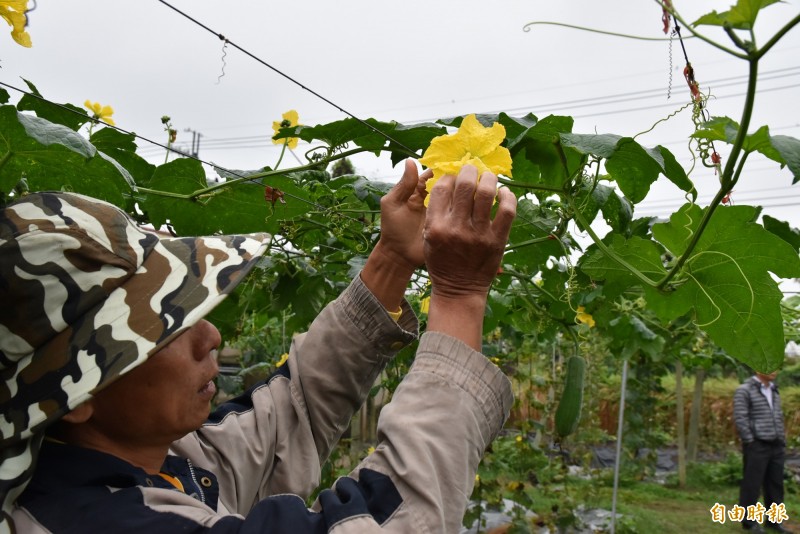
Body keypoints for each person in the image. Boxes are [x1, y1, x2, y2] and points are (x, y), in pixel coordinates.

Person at [0, 161, 517, 533]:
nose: (211, 337)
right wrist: (458, 295)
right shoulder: (107, 522)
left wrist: (392, 259)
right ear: (77, 395)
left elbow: (292, 414)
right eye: (163, 330)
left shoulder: (156, 462)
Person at [733, 369, 789, 532]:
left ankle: (774, 520)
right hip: (757, 444)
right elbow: (740, 417)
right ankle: (749, 521)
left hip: (776, 444)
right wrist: (750, 440)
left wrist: (781, 439)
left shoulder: (774, 389)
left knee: (775, 484)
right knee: (752, 484)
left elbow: (777, 416)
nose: (774, 371)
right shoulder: (744, 390)